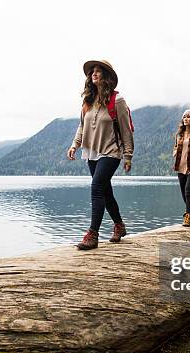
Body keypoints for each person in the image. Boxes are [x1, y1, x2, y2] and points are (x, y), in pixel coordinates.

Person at [66, 60, 134, 250]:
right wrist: (74, 145)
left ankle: (93, 234)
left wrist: (128, 155)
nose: (93, 74)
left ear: (107, 76)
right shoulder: (87, 101)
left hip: (111, 151)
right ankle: (119, 226)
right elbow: (82, 126)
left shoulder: (117, 101)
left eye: (98, 71)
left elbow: (126, 129)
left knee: (96, 187)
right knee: (105, 191)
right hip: (91, 151)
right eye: (92, 72)